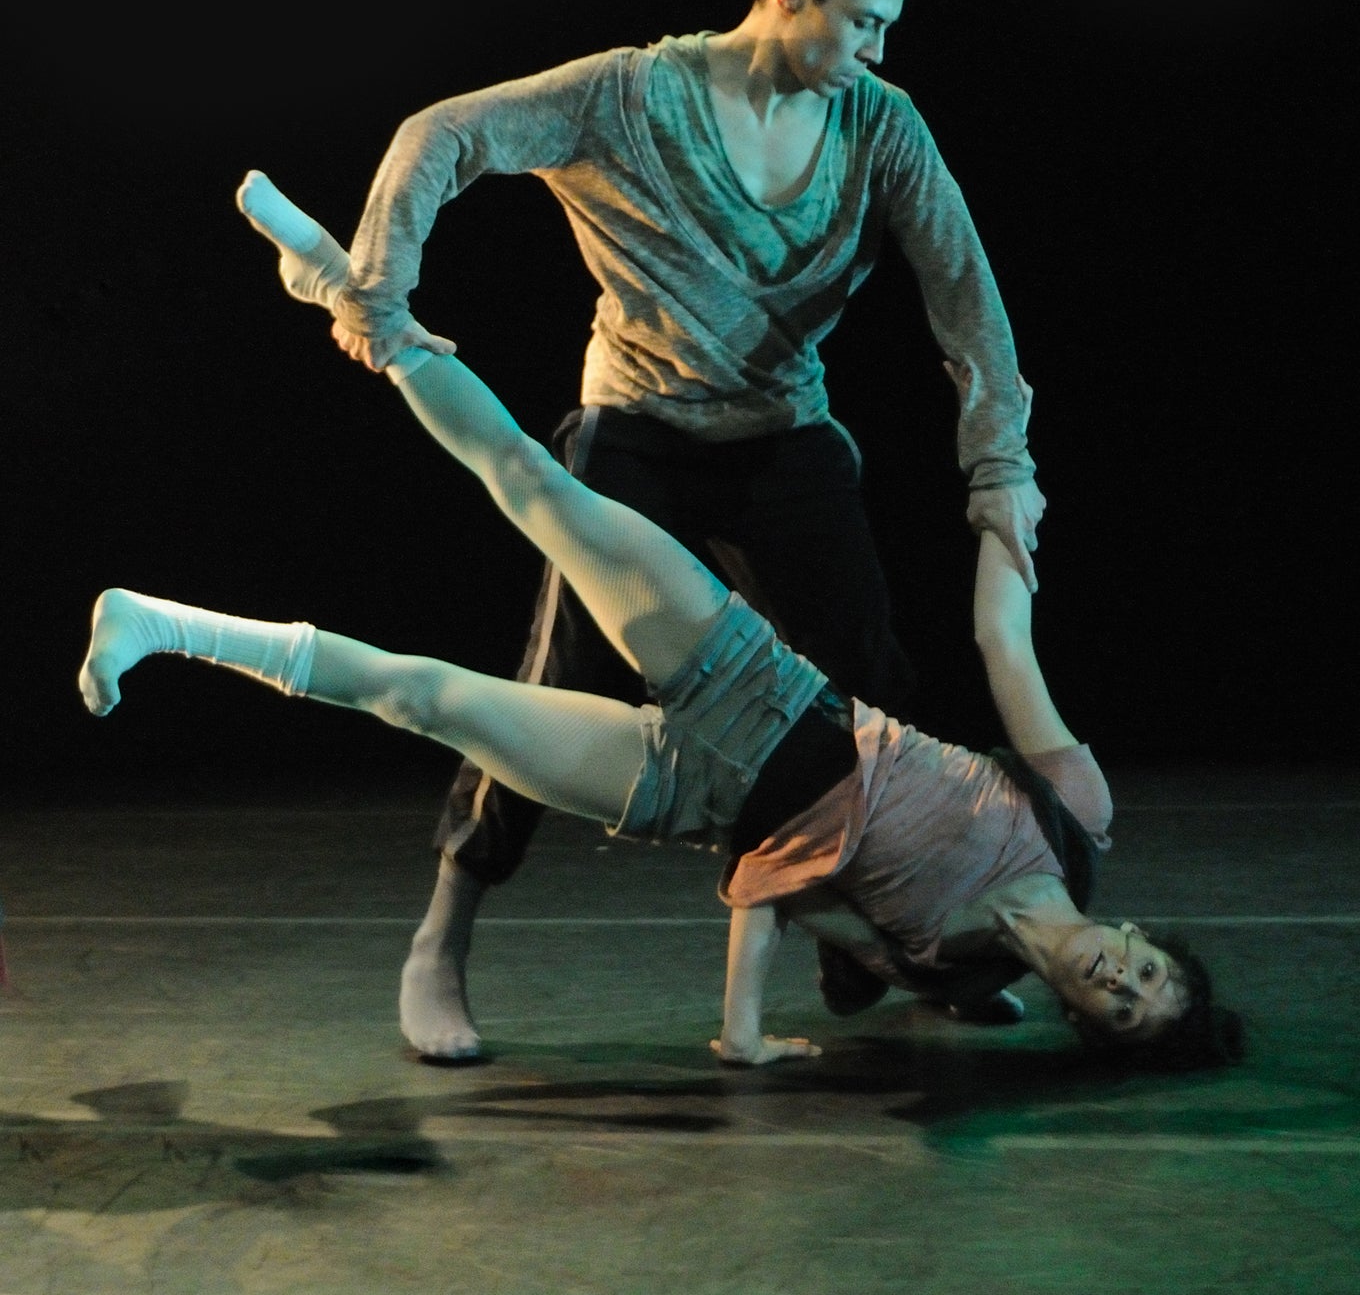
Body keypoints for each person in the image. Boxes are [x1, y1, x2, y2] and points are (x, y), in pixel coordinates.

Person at [79, 182, 1242, 1073]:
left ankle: (155, 621)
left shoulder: (951, 965)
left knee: (429, 698)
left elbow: (778, 886)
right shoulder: (1072, 821)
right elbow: (1004, 642)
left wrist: (740, 1031)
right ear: (1137, 931)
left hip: (698, 794)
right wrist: (1009, 486)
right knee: (535, 479)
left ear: (1090, 1023)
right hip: (764, 691)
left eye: (1123, 1005)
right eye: (1144, 967)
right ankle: (344, 283)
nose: (1119, 976)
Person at [285, 0, 1047, 1061]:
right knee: (561, 675)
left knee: (872, 691)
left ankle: (889, 941)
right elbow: (440, 133)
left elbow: (969, 303)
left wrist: (998, 462)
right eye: (862, 21)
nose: (878, 47)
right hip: (636, 425)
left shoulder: (879, 124)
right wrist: (382, 277)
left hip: (783, 434)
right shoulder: (629, 97)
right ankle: (444, 930)